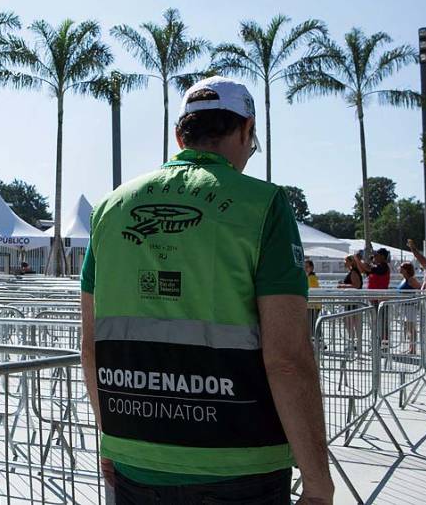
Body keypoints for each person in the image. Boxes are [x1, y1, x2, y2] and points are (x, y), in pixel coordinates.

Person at [80, 77, 333, 504]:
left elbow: (91, 347)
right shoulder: (263, 205)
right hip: (239, 460)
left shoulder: (110, 208)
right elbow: (287, 360)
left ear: (181, 135)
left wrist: (112, 436)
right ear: (246, 130)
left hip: (136, 455)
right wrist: (317, 480)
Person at [398, 262, 421, 354]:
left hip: (410, 306)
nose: (399, 269)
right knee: (408, 328)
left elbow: (420, 289)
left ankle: (413, 348)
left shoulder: (411, 280)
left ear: (406, 269)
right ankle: (411, 347)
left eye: (401, 267)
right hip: (404, 306)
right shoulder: (404, 279)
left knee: (412, 328)